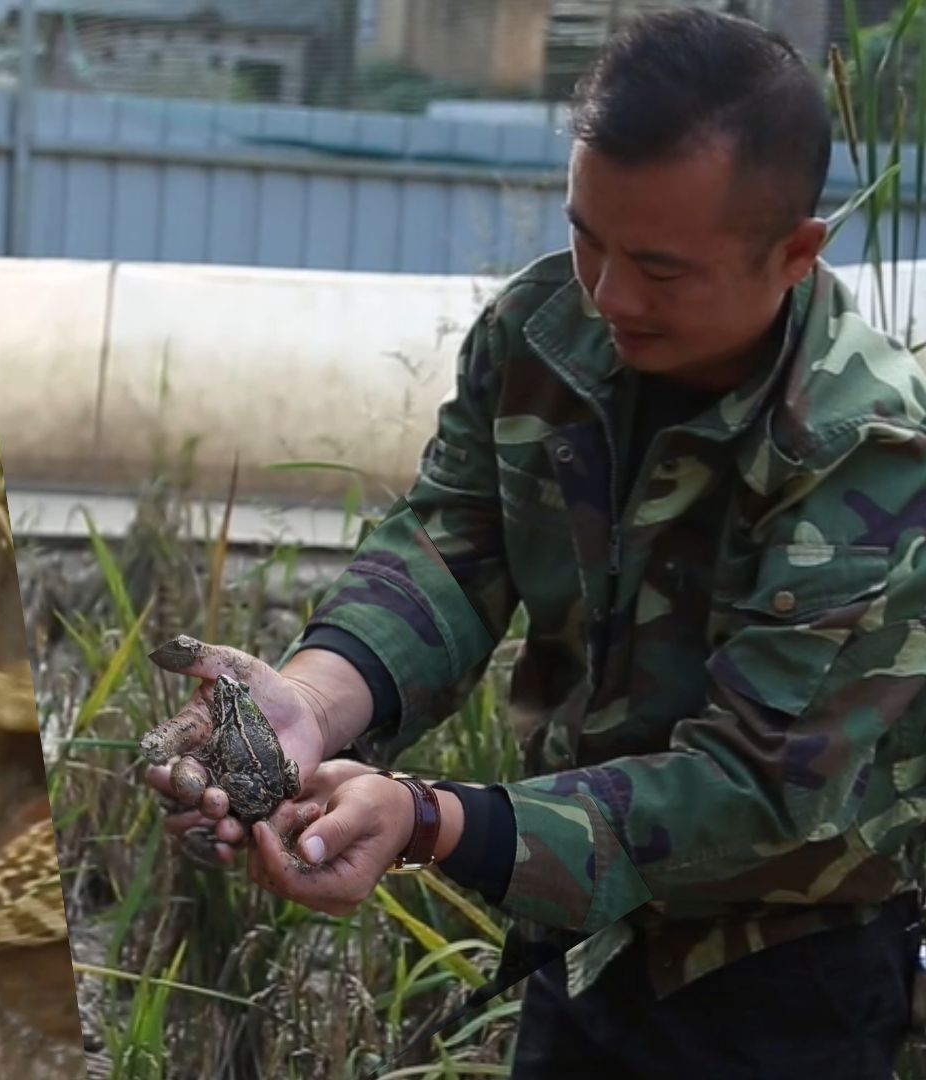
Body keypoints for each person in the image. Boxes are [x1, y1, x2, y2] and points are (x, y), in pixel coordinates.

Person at [141, 9, 926, 1079]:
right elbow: (455, 543)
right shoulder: (543, 334)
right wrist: (317, 704)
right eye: (586, 237)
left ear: (795, 253)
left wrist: (428, 820)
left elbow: (756, 791)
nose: (607, 296)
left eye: (659, 268)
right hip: (576, 935)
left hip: (782, 976)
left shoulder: (865, 449)